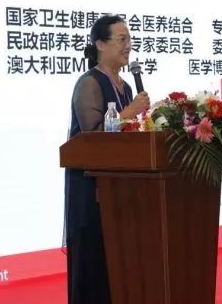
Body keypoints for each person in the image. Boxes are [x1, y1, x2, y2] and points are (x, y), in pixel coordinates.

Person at [64, 15, 150, 304]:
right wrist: (131, 111)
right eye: (121, 39)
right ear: (100, 44)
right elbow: (92, 137)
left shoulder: (126, 86)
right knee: (95, 258)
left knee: (119, 259)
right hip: (92, 189)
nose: (128, 46)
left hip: (121, 185)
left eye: (130, 39)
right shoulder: (89, 83)